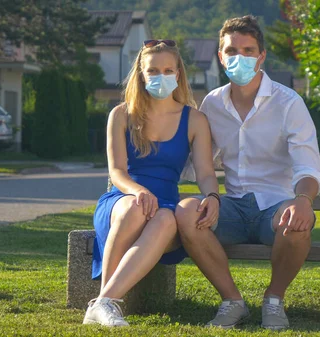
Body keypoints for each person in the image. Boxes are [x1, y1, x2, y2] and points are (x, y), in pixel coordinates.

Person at [176, 15, 320, 330]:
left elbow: (308, 166)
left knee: (298, 222)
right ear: (220, 57)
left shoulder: (288, 103)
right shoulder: (212, 105)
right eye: (231, 51)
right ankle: (232, 301)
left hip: (276, 207)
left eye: (248, 50)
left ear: (261, 56)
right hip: (231, 207)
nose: (239, 58)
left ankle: (273, 300)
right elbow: (196, 163)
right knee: (187, 211)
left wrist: (302, 200)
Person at [83, 39, 220, 327]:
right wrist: (139, 191)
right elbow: (117, 171)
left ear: (179, 73)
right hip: (123, 199)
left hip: (166, 205)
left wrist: (212, 196)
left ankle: (103, 304)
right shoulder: (121, 114)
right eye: (153, 70)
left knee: (167, 218)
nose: (161, 76)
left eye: (168, 70)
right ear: (142, 74)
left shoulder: (194, 119)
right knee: (136, 208)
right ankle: (107, 303)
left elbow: (206, 172)